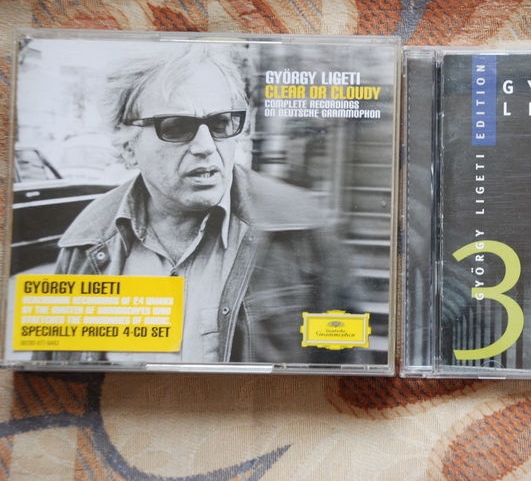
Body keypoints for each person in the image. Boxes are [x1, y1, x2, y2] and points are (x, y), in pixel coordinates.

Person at [37, 44, 345, 364]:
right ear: (128, 146)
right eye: (176, 127)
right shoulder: (87, 241)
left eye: (221, 123)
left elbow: (343, 367)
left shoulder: (299, 227)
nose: (206, 146)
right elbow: (53, 375)